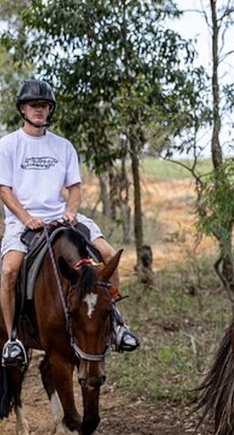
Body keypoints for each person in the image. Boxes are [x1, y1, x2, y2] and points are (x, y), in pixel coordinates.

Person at [0, 79, 139, 368]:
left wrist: (71, 211)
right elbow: (4, 189)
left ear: (50, 110)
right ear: (22, 109)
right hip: (23, 221)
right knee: (9, 271)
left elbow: (74, 187)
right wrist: (26, 217)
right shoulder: (8, 145)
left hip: (61, 215)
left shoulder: (63, 146)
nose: (39, 110)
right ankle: (13, 339)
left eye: (44, 105)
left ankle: (116, 323)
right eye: (33, 105)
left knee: (109, 255)